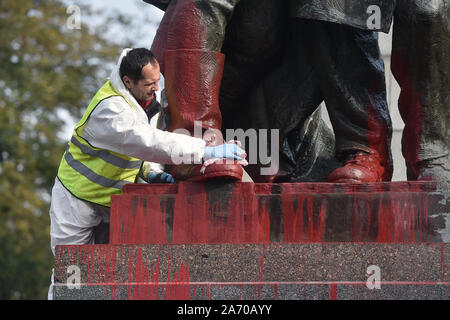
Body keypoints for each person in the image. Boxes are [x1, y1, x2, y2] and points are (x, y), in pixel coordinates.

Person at [146, 0, 393, 183]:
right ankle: (195, 145)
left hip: (275, 122)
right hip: (218, 91)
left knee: (343, 10)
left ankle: (364, 149)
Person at [48, 48, 246, 254]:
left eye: (157, 80)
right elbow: (148, 142)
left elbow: (141, 150)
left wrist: (150, 171)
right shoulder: (109, 111)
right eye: (150, 84)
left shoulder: (145, 100)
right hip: (76, 200)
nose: (156, 88)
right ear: (128, 82)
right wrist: (205, 151)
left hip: (111, 200)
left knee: (107, 272)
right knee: (71, 271)